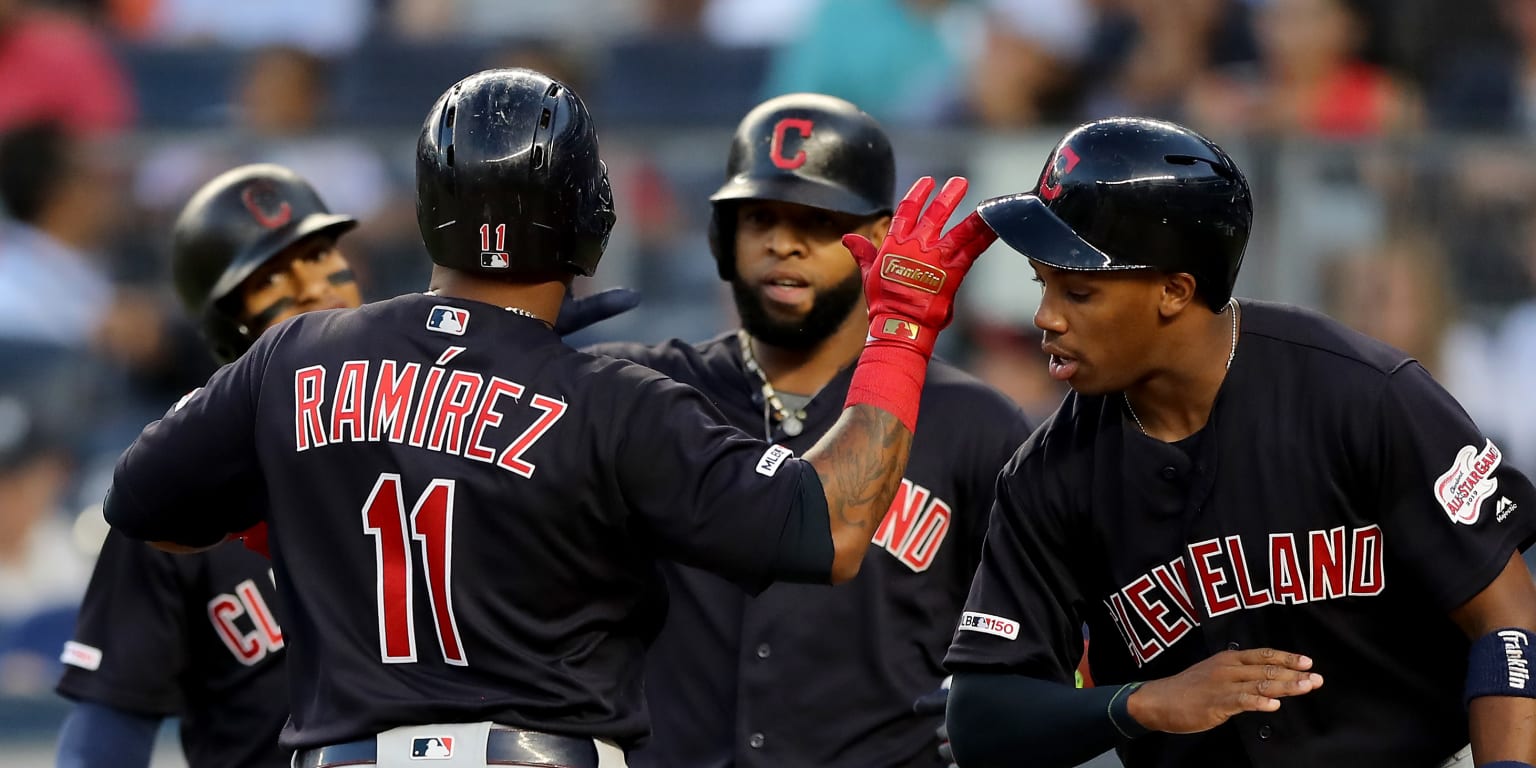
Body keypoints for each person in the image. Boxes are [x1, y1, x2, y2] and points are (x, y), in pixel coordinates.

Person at [99, 67, 994, 768]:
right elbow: (834, 530)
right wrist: (903, 332)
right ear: (587, 219)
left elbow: (141, 505)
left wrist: (305, 510)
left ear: (429, 209)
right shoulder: (610, 397)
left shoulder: (299, 353)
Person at [942, 117, 1536, 768]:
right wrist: (1142, 703)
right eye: (1043, 284)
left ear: (1175, 290)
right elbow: (979, 716)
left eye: (1079, 291)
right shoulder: (1049, 474)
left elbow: (1506, 615)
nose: (1046, 317)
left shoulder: (1361, 395)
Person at [588, 92, 1031, 768]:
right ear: (722, 240)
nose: (783, 242)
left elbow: (1037, 642)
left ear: (882, 241)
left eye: (818, 221)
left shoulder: (973, 424)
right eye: (759, 216)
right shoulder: (644, 394)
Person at [54, 163, 366, 768]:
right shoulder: (174, 484)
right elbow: (109, 729)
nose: (312, 285)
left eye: (320, 251)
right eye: (271, 273)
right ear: (227, 323)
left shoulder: (436, 430)